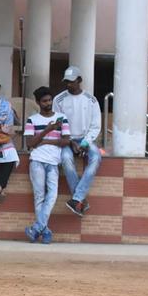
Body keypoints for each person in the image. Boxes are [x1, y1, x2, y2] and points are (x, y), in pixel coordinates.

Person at [23, 86, 70, 245]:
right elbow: (30, 143)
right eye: (44, 101)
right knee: (39, 197)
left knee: (53, 195)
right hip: (36, 161)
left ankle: (36, 229)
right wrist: (48, 129)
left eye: (50, 100)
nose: (48, 103)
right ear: (38, 102)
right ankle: (45, 232)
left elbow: (66, 141)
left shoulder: (62, 118)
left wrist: (45, 141)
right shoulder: (32, 119)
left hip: (53, 162)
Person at [53, 66, 101, 217]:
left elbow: (95, 126)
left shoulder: (91, 100)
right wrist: (70, 142)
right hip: (67, 139)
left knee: (96, 157)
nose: (68, 84)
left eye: (71, 81)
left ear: (79, 80)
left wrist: (85, 143)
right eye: (66, 81)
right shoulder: (59, 99)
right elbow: (57, 125)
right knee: (66, 159)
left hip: (85, 138)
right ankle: (78, 199)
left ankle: (76, 198)